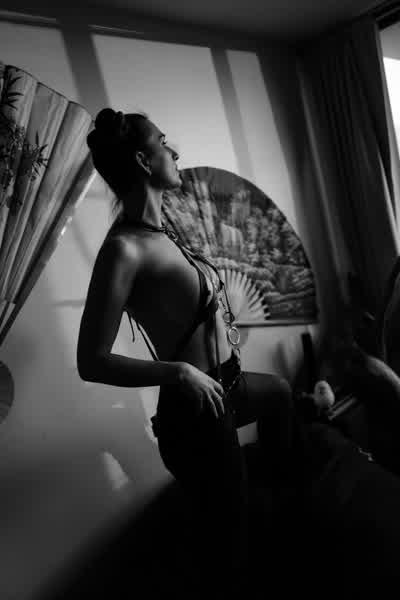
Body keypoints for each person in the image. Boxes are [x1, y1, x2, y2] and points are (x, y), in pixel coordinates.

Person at [77, 108, 303, 597]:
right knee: (228, 547)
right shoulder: (123, 250)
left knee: (281, 394)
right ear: (144, 161)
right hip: (195, 411)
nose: (175, 152)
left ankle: (282, 503)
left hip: (228, 385)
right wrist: (178, 371)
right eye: (164, 143)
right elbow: (90, 361)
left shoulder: (165, 234)